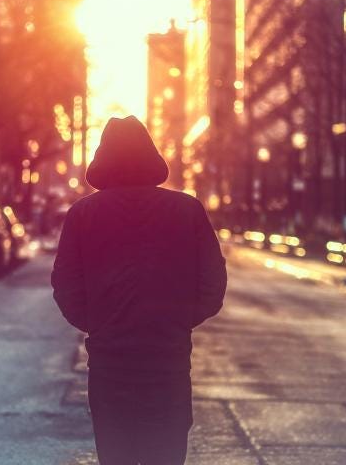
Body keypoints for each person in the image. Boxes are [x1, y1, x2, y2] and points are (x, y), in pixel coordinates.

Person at [51, 115, 227, 465]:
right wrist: (178, 321)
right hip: (168, 364)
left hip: (110, 366)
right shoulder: (187, 210)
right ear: (151, 156)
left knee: (116, 456)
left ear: (103, 160)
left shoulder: (82, 214)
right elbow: (213, 283)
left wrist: (100, 324)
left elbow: (65, 286)